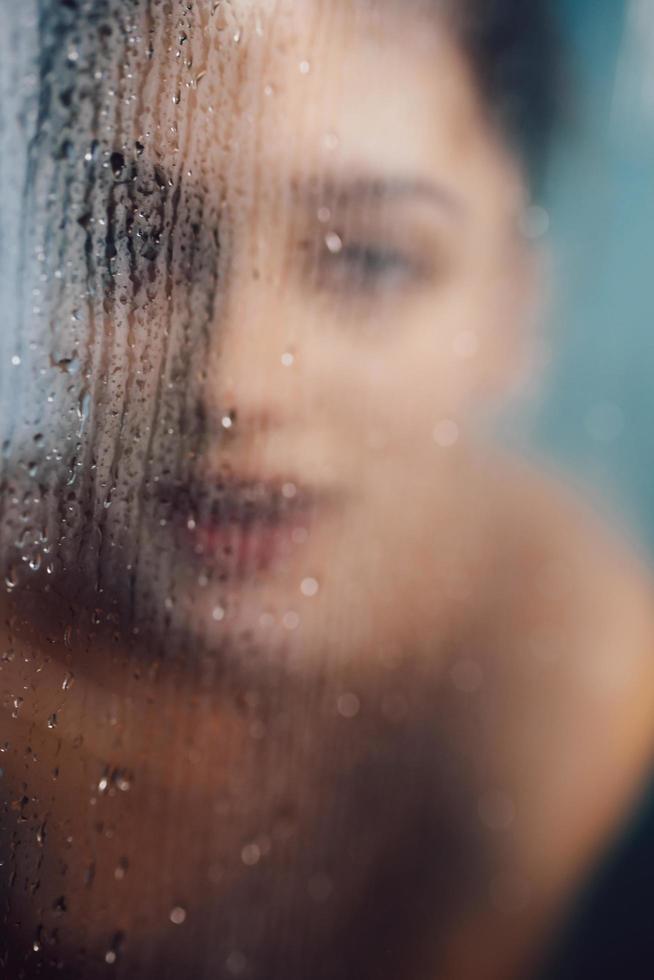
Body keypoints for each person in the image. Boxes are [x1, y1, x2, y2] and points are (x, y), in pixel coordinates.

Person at [0, 1, 652, 978]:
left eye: (368, 259)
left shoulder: (558, 659)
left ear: (516, 304)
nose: (233, 383)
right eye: (132, 242)